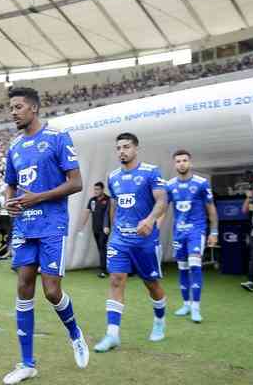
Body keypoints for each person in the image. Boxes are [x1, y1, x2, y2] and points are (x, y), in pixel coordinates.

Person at [2, 86, 89, 384]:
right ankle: (26, 362)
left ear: (34, 108)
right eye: (11, 108)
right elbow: (11, 185)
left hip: (52, 223)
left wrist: (38, 198)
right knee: (24, 286)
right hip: (25, 226)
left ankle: (75, 333)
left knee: (51, 291)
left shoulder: (57, 137)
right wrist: (9, 202)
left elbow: (76, 182)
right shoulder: (13, 146)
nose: (13, 112)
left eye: (18, 107)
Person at [94, 132, 168, 352]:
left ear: (136, 148)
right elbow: (116, 205)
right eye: (118, 148)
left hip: (145, 241)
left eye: (126, 147)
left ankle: (159, 321)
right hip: (120, 239)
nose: (122, 151)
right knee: (116, 280)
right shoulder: (113, 176)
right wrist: (113, 227)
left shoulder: (151, 172)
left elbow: (162, 200)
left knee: (151, 284)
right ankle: (112, 334)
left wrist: (150, 219)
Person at [165, 150, 219, 323]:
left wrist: (214, 231)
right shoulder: (170, 185)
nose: (181, 163)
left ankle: (196, 307)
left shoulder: (202, 183)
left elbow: (211, 209)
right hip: (179, 232)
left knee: (195, 266)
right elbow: (162, 209)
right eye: (178, 161)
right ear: (174, 164)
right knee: (182, 268)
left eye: (184, 160)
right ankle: (186, 304)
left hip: (196, 231)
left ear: (190, 163)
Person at [78, 181, 111, 278]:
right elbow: (87, 213)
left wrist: (108, 226)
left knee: (102, 247)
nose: (95, 191)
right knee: (100, 248)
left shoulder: (108, 199)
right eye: (94, 189)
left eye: (97, 189)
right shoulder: (92, 200)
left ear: (102, 189)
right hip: (95, 228)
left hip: (104, 229)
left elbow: (109, 214)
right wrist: (81, 226)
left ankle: (103, 270)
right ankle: (105, 267)